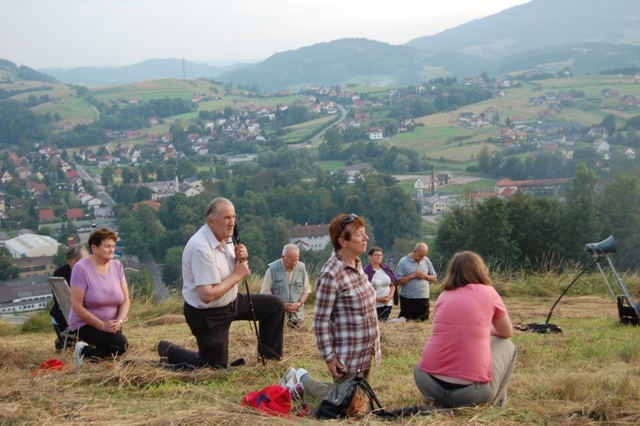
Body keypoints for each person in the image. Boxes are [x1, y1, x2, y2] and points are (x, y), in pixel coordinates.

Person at [158, 197, 285, 369]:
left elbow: (231, 268)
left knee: (275, 306)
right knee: (214, 366)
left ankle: (270, 360)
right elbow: (206, 295)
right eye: (226, 218)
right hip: (208, 314)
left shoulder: (225, 237)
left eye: (233, 217)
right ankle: (169, 350)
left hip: (232, 301)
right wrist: (237, 276)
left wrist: (242, 257)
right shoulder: (200, 248)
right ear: (211, 220)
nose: (232, 222)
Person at [280, 213, 380, 401]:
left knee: (361, 402)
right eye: (359, 234)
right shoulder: (331, 274)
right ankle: (301, 380)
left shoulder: (357, 264)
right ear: (343, 242)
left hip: (364, 350)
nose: (366, 238)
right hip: (347, 355)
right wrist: (329, 356)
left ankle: (305, 381)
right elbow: (320, 320)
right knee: (347, 403)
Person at [413, 251, 516, 408]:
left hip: (428, 385)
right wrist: (486, 329)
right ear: (480, 270)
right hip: (471, 394)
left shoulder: (443, 296)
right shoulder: (490, 293)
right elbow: (506, 331)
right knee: (508, 344)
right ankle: (497, 403)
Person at [69, 228, 130, 365]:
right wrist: (102, 326)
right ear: (94, 248)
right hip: (86, 324)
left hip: (112, 324)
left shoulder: (117, 266)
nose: (111, 250)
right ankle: (84, 353)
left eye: (113, 246)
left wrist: (119, 321)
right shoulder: (81, 269)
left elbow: (125, 301)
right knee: (121, 345)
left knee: (118, 347)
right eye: (107, 246)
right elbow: (77, 306)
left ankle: (90, 352)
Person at [260, 243, 311, 328]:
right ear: (283, 257)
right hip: (278, 319)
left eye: (296, 260)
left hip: (298, 320)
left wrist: (299, 303)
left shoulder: (302, 268)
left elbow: (306, 290)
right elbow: (265, 293)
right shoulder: (272, 269)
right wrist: (281, 305)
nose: (294, 263)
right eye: (291, 260)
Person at [50, 243, 88, 351]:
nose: (81, 264)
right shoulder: (60, 274)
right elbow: (59, 300)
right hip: (65, 315)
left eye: (84, 260)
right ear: (69, 261)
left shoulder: (90, 271)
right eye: (77, 261)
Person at [394, 243, 437, 321]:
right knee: (407, 320)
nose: (422, 258)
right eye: (420, 256)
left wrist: (426, 276)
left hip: (424, 298)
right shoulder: (403, 262)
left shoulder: (426, 260)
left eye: (424, 256)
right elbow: (397, 281)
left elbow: (434, 278)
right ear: (415, 251)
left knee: (423, 321)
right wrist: (411, 276)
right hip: (408, 299)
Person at [363, 247, 397, 322]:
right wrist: (378, 298)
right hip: (373, 304)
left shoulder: (386, 268)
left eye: (380, 255)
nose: (379, 257)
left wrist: (390, 296)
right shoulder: (366, 272)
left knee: (384, 322)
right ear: (370, 257)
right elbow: (364, 290)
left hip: (387, 303)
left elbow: (393, 284)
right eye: (376, 255)